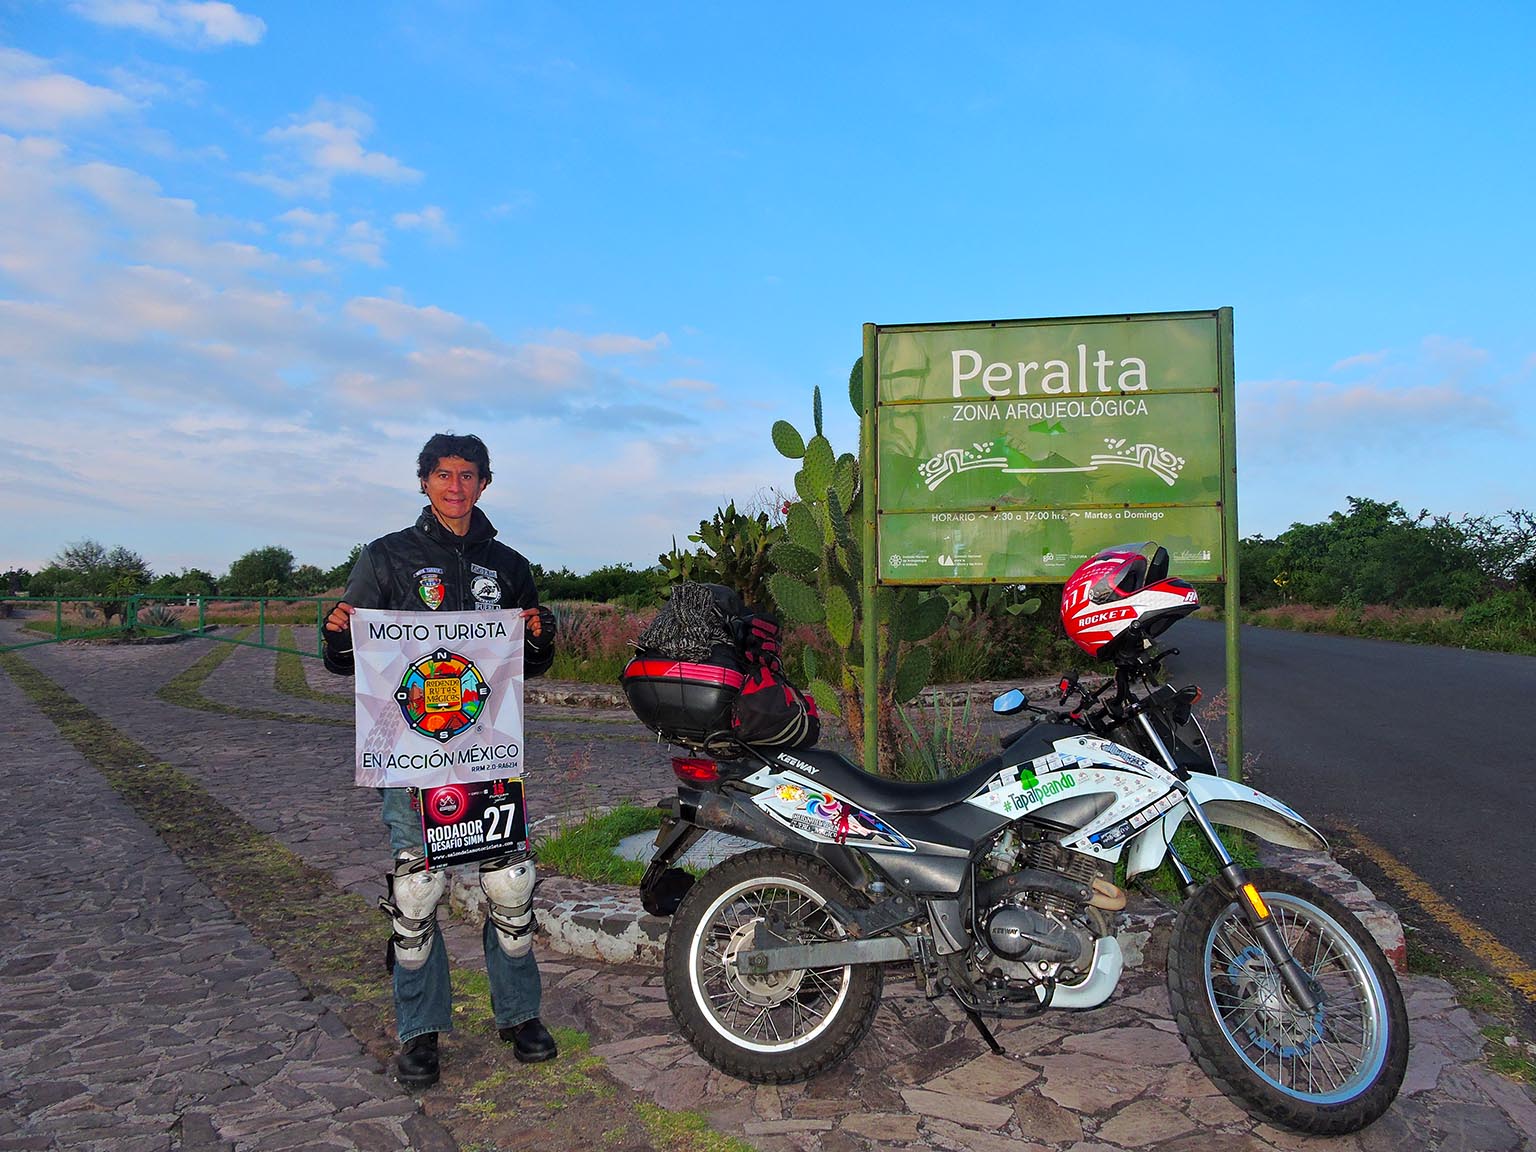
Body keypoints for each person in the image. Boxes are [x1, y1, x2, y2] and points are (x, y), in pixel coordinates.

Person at [322, 432, 558, 1089]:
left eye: (468, 475)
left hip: (487, 750)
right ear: (424, 481)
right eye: (444, 474)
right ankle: (420, 1030)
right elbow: (346, 658)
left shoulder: (509, 566)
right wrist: (336, 635)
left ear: (485, 483)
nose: (456, 486)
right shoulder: (386, 557)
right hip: (408, 753)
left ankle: (520, 1016)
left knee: (510, 884)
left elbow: (530, 662)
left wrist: (542, 638)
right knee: (417, 889)